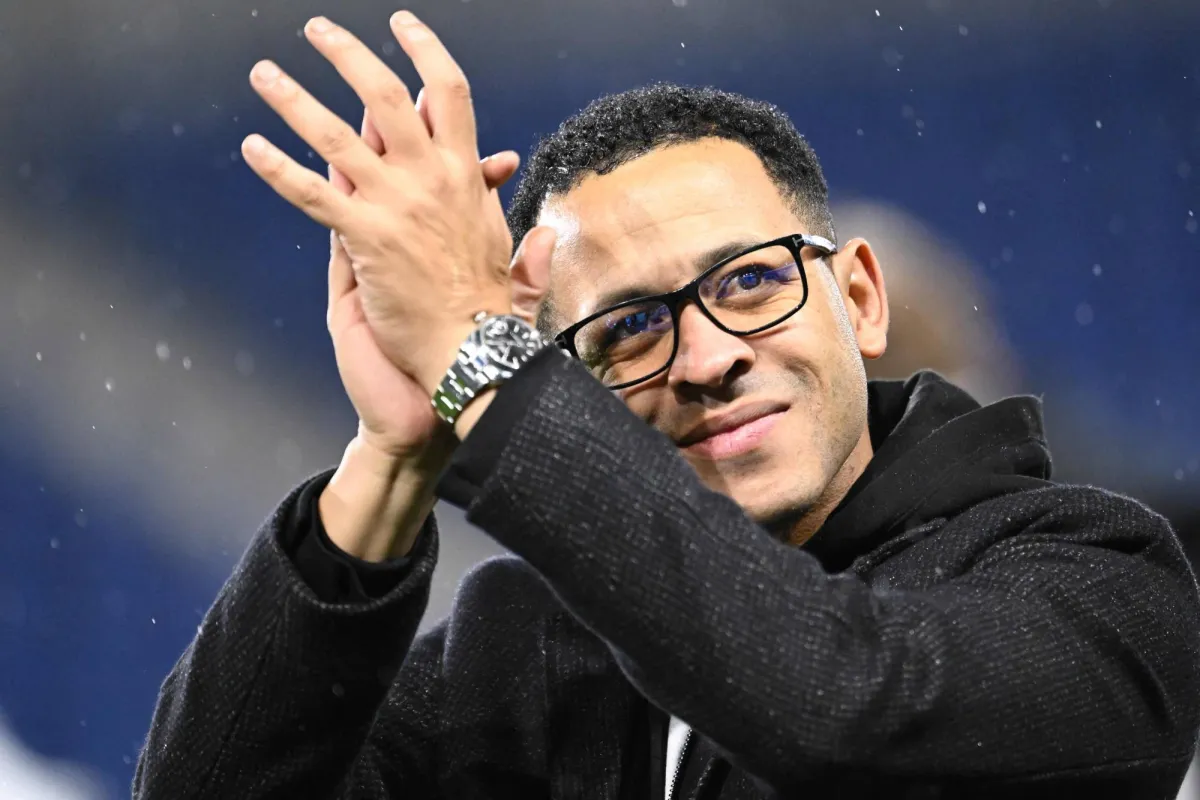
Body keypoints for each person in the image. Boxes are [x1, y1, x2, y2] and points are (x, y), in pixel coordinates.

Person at [133, 11, 1200, 800]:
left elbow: (843, 710)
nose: (707, 358)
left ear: (861, 299)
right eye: (630, 328)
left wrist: (478, 358)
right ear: (574, 381)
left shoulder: (1098, 573)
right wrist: (397, 450)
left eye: (751, 281)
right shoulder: (514, 654)